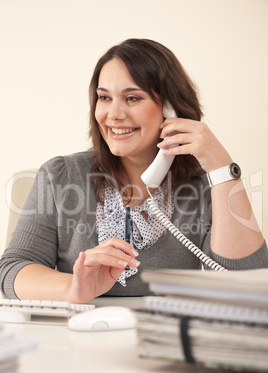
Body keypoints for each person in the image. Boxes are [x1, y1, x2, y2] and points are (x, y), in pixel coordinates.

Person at [1, 38, 267, 303]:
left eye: (132, 97)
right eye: (104, 97)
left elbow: (248, 285)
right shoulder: (60, 175)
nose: (113, 114)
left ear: (169, 108)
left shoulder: (205, 188)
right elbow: (12, 269)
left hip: (166, 337)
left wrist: (222, 169)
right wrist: (74, 287)